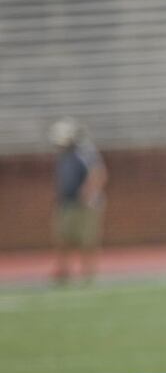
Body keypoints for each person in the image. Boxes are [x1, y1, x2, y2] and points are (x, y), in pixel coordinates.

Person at [48, 117, 108, 284]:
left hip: (84, 205)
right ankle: (64, 271)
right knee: (62, 237)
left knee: (87, 240)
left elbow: (98, 173)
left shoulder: (85, 152)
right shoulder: (63, 155)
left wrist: (87, 194)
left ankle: (88, 273)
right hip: (67, 202)